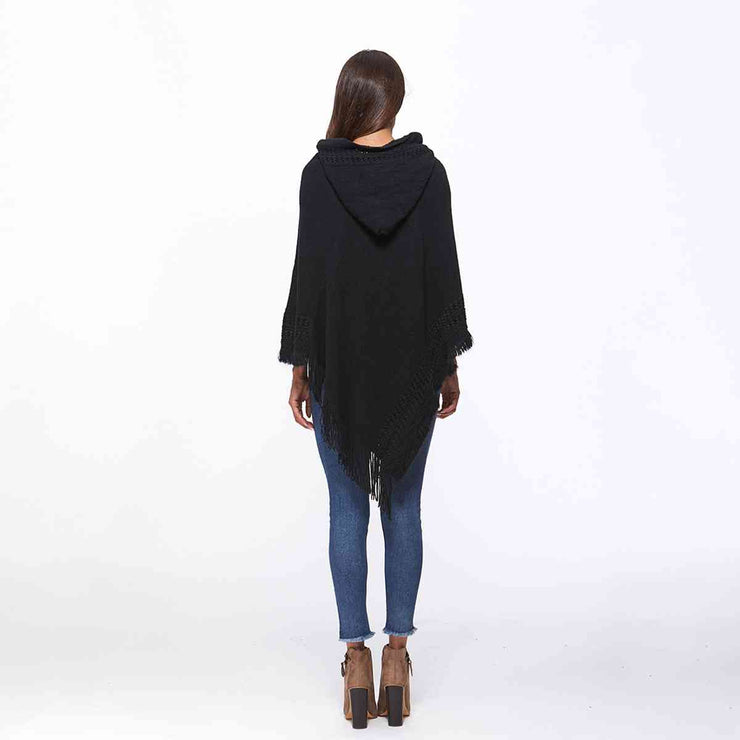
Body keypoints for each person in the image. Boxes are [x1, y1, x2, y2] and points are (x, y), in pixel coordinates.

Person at [278, 49, 473, 728]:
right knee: (404, 508)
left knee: (346, 511)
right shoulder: (428, 174)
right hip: (410, 369)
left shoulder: (320, 175)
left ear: (350, 98)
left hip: (341, 369)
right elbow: (442, 275)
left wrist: (300, 366)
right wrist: (447, 365)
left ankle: (355, 661)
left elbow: (308, 275)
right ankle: (397, 658)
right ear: (396, 100)